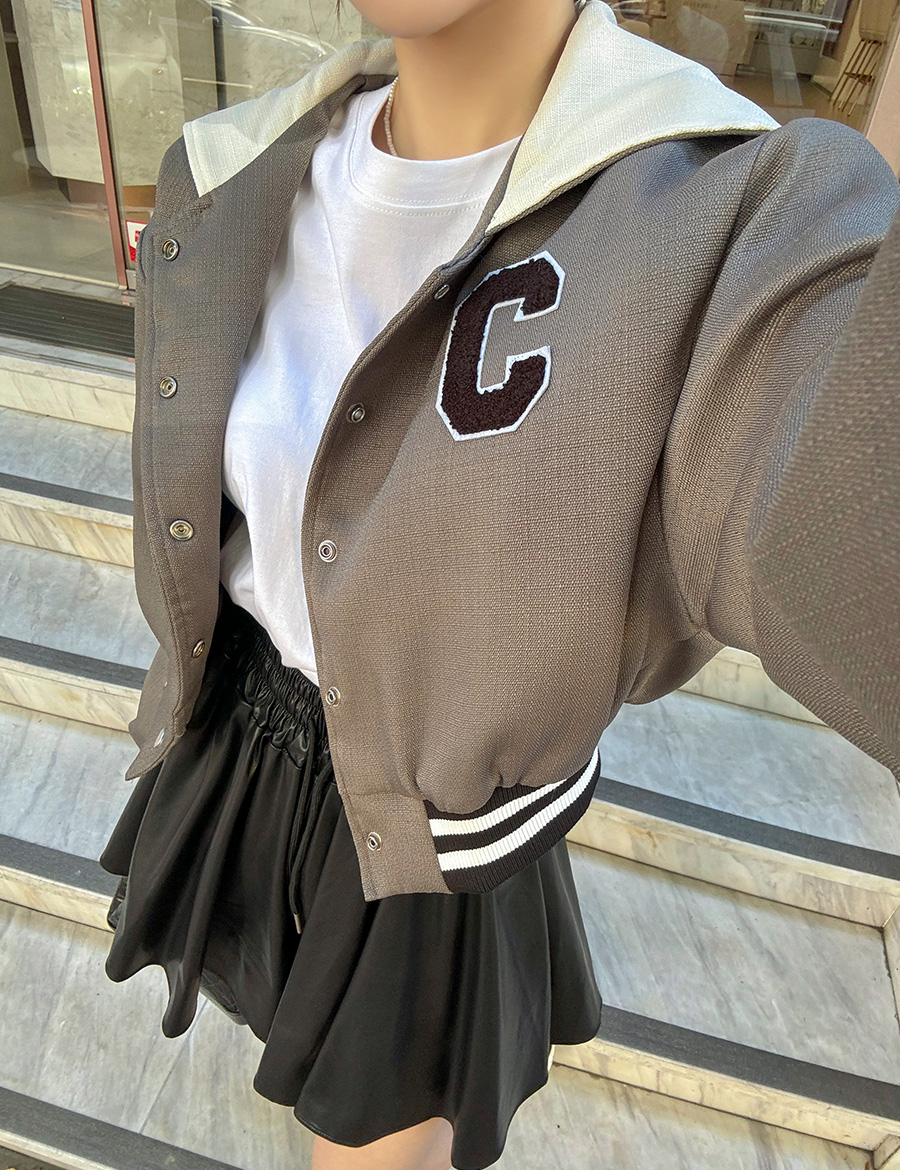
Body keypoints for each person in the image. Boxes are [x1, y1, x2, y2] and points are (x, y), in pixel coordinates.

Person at [96, 0, 900, 1168]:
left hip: (430, 835)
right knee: (280, 1036)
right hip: (234, 738)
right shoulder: (234, 169)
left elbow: (838, 514)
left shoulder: (723, 221)